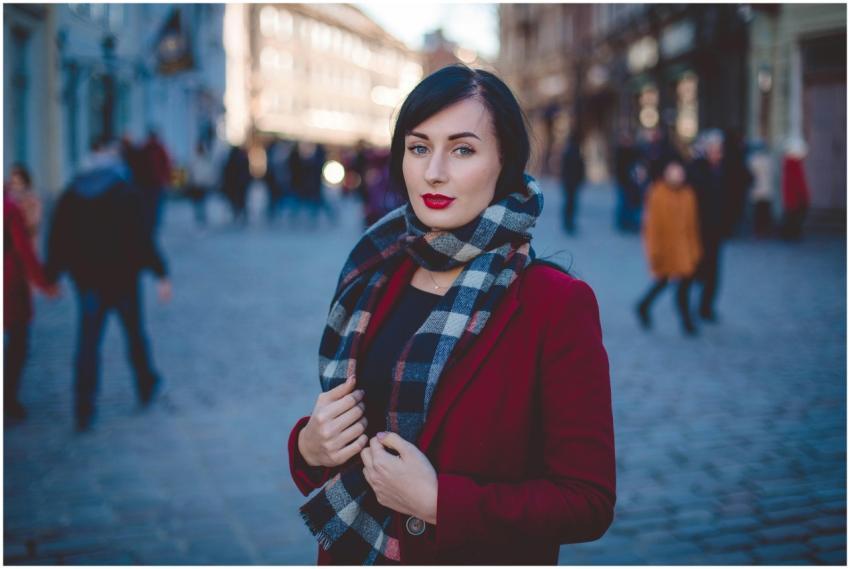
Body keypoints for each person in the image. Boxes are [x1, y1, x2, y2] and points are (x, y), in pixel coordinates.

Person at [287, 65, 615, 565]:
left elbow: (587, 502)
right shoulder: (374, 272)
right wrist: (309, 447)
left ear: (503, 162)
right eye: (419, 148)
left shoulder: (555, 303)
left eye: (463, 149)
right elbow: (341, 439)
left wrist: (440, 503)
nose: (434, 171)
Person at [44, 138, 172, 432]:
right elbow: (142, 238)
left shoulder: (73, 192)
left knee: (88, 341)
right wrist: (160, 273)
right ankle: (146, 383)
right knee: (134, 335)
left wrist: (52, 275)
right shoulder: (125, 192)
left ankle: (84, 405)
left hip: (88, 281)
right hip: (123, 280)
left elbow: (59, 236)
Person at [4, 190, 59, 422]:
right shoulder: (8, 208)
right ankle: (8, 397)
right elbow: (23, 249)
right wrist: (43, 282)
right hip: (8, 283)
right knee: (17, 342)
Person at [635, 154, 702, 336]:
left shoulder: (688, 194)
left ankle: (686, 320)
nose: (677, 175)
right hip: (666, 249)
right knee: (663, 282)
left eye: (679, 171)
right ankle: (644, 306)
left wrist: (695, 250)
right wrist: (654, 252)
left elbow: (692, 226)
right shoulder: (657, 193)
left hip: (685, 250)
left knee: (682, 285)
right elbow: (651, 228)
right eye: (673, 171)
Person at [688, 129, 727, 322]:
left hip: (714, 230)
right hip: (698, 230)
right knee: (690, 271)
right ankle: (689, 308)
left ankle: (705, 307)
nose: (719, 153)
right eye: (715, 149)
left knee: (712, 272)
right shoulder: (697, 170)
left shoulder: (718, 169)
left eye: (720, 149)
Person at [779, 137, 811, 241]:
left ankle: (790, 234)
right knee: (794, 218)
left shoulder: (789, 164)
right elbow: (798, 183)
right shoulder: (794, 164)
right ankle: (791, 234)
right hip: (796, 198)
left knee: (792, 217)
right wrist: (804, 196)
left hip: (793, 197)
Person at [748, 140, 775, 238]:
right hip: (766, 190)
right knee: (765, 212)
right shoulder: (769, 160)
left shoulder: (752, 160)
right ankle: (764, 230)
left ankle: (759, 231)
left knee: (758, 213)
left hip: (757, 190)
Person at [560, 131, 585, 235]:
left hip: (569, 181)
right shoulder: (575, 152)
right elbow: (580, 167)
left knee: (569, 203)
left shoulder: (569, 152)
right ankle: (568, 223)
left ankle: (568, 222)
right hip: (572, 182)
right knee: (571, 203)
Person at [187, 141, 217, 228]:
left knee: (202, 202)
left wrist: (210, 181)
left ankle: (202, 218)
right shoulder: (194, 160)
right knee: (197, 202)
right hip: (196, 185)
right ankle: (199, 218)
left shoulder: (206, 160)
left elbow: (210, 172)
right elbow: (191, 172)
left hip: (203, 185)